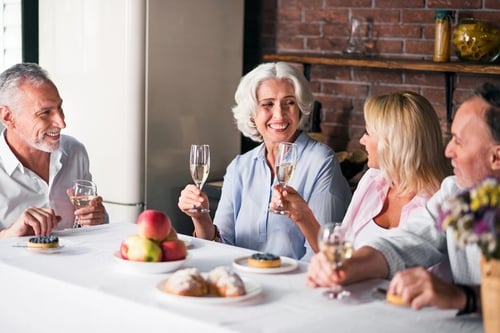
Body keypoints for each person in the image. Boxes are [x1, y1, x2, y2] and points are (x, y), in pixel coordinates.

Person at [306, 82, 500, 314]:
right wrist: (348, 265)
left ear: (496, 157)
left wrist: (464, 296)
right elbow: (408, 241)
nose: (448, 151)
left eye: (459, 141)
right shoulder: (456, 192)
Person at [178, 62, 352, 260]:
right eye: (267, 104)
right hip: (244, 281)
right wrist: (200, 217)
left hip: (294, 284)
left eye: (289, 102)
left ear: (300, 108)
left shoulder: (321, 161)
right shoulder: (240, 166)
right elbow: (221, 246)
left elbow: (325, 254)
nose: (279, 114)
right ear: (252, 114)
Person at [270, 91, 451, 254]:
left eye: (369, 133)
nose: (362, 140)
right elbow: (337, 253)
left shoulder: (438, 205)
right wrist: (303, 215)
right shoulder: (373, 180)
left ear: (394, 143)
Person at [0, 63, 107, 238]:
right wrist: (10, 234)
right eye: (45, 112)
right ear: (8, 117)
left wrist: (97, 218)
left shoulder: (75, 151)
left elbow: (92, 227)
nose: (61, 123)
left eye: (59, 108)